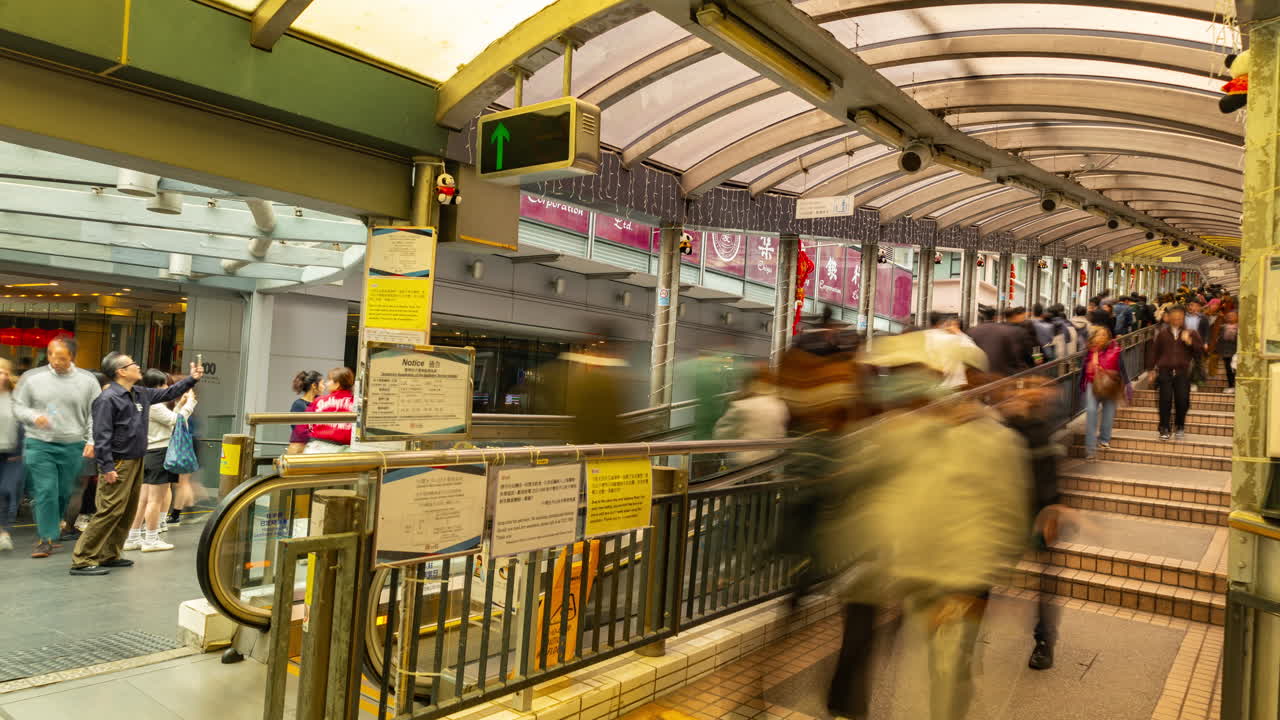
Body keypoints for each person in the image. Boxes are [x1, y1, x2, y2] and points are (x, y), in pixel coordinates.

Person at [819, 331, 1029, 720]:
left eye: (912, 371)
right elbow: (869, 494)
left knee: (948, 676)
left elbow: (1005, 517)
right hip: (901, 573)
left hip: (955, 581)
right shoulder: (898, 431)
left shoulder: (991, 439)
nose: (899, 383)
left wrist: (971, 587)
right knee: (909, 678)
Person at [69, 353, 202, 576]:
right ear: (121, 371)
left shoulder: (139, 393)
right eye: (132, 364)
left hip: (137, 459)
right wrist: (107, 466)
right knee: (109, 510)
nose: (137, 366)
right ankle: (83, 559)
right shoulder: (108, 398)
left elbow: (169, 392)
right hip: (118, 462)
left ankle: (110, 554)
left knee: (128, 509)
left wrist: (192, 379)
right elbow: (101, 435)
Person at [12, 337, 100, 559]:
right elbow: (18, 406)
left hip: (73, 444)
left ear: (72, 357)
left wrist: (92, 441)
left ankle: (54, 527)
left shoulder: (88, 381)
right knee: (46, 490)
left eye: (61, 357)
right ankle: (46, 539)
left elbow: (95, 414)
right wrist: (34, 416)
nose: (55, 361)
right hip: (39, 443)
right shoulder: (32, 378)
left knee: (63, 492)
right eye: (51, 355)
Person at [123, 370, 197, 553]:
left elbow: (171, 419)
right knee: (155, 500)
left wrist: (180, 405)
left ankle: (133, 537)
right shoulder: (154, 405)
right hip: (159, 453)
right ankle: (151, 539)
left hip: (147, 453)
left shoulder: (142, 402)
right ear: (155, 386)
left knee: (143, 500)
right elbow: (176, 421)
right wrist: (190, 405)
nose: (167, 388)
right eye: (164, 384)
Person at [1145, 306, 1202, 441]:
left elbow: (1200, 352)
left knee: (1182, 401)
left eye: (1180, 318)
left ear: (1183, 318)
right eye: (1174, 318)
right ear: (1169, 318)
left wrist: (1189, 342)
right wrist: (1151, 369)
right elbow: (1154, 352)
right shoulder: (1163, 334)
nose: (1177, 321)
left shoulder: (1191, 333)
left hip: (1182, 372)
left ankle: (1180, 425)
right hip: (1165, 371)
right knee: (1165, 400)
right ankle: (1164, 427)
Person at [712, 365, 789, 467]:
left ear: (748, 382)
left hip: (742, 465)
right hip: (769, 463)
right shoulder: (779, 405)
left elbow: (720, 435)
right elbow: (780, 434)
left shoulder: (742, 406)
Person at [1083, 326, 1126, 459]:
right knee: (1091, 411)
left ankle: (1104, 439)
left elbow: (1121, 368)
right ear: (1093, 337)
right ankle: (1090, 448)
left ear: (1108, 338)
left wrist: (1126, 385)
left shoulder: (1115, 349)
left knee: (1109, 412)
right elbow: (1083, 369)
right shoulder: (1089, 350)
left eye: (1104, 335)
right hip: (1092, 383)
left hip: (1110, 384)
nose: (1101, 337)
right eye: (1099, 335)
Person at [925, 312, 987, 388]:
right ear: (940, 323)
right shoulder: (951, 339)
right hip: (953, 385)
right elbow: (975, 351)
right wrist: (958, 332)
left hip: (932, 386)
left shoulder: (926, 336)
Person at [968, 306, 1033, 376]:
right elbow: (1021, 356)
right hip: (1002, 377)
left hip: (978, 376)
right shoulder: (1012, 331)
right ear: (996, 317)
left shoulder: (972, 331)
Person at [304, 367, 356, 453]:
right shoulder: (356, 402)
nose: (326, 383)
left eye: (329, 380)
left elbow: (306, 425)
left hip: (318, 448)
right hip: (347, 451)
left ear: (337, 384)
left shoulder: (319, 401)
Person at [0, 358, 22, 552]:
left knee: (7, 491)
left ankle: (4, 532)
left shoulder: (16, 396)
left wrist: (21, 450)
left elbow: (24, 423)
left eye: (3, 372)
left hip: (12, 454)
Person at [288, 370, 323, 454]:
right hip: (302, 449)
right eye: (322, 383)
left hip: (316, 448)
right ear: (314, 385)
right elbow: (300, 432)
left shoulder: (321, 402)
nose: (324, 386)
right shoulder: (298, 405)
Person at [1212, 310, 1239, 395]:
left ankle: (1236, 386)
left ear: (1237, 317)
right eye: (1228, 316)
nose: (1230, 317)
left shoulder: (1240, 327)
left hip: (1236, 352)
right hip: (1226, 352)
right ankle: (1231, 385)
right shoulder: (1222, 327)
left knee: (1235, 370)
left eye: (1232, 316)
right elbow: (1216, 336)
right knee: (1228, 370)